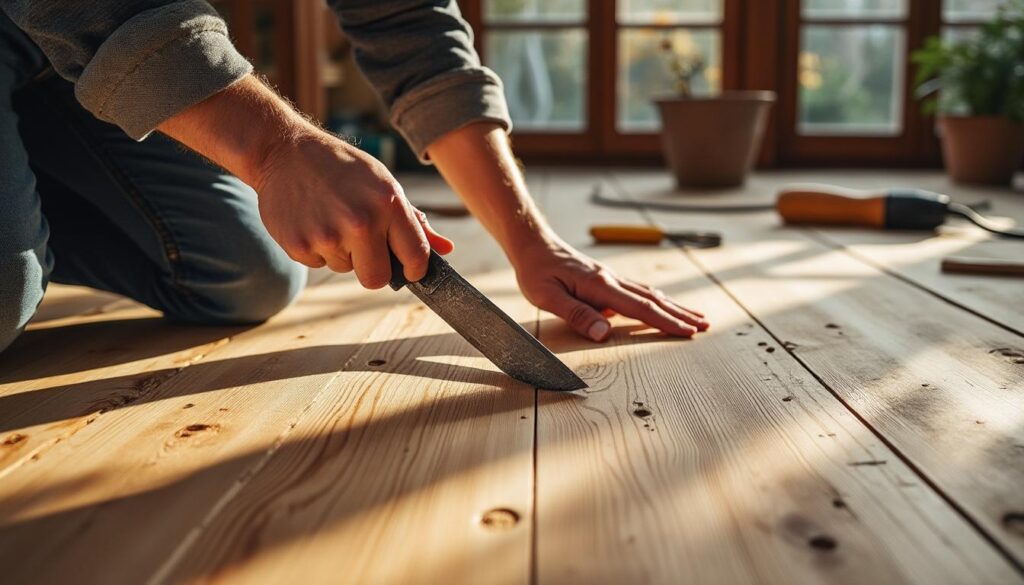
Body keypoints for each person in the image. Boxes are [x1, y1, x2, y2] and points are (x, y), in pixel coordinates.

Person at [0, 0, 708, 354]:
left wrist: (533, 242)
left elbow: (412, 28)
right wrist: (278, 148)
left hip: (83, 74)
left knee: (249, 278)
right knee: (9, 293)